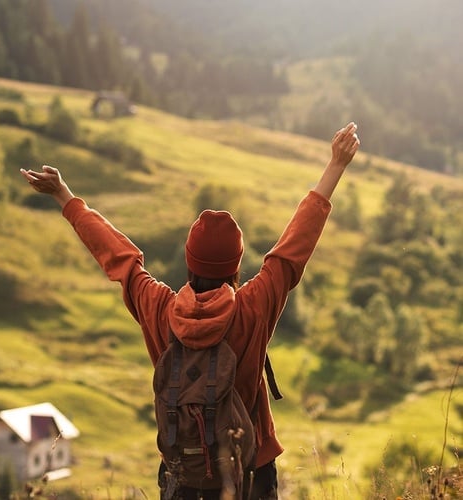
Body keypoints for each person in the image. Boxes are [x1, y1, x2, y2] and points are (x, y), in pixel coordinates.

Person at [20, 122, 360, 499]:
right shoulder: (253, 305)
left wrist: (65, 197)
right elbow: (293, 248)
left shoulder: (159, 307)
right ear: (236, 266)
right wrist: (336, 165)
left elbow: (120, 258)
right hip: (250, 471)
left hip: (182, 477)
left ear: (189, 262)